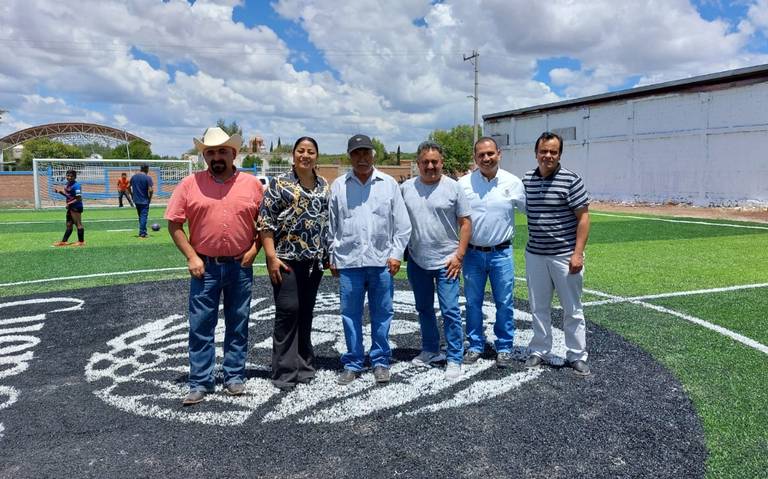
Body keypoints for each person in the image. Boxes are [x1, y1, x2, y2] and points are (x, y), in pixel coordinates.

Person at [164, 127, 263, 406]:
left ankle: (233, 376)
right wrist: (191, 257)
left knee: (238, 323)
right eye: (211, 152)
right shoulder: (189, 184)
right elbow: (175, 224)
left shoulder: (252, 185)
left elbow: (266, 225)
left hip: (239, 266)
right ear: (204, 155)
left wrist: (254, 250)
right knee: (200, 326)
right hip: (203, 267)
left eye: (222, 151)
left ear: (233, 153)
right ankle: (200, 381)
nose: (216, 156)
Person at [328, 134, 411, 385]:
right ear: (349, 156)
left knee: (382, 314)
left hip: (381, 262)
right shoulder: (339, 186)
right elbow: (332, 226)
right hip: (349, 263)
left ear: (373, 155)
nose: (362, 158)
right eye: (356, 153)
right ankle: (353, 361)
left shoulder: (388, 184)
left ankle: (380, 361)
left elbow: (403, 225)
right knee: (349, 315)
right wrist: (333, 256)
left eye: (366, 153)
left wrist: (396, 255)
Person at [258, 137, 330, 391]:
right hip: (285, 260)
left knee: (306, 313)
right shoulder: (279, 185)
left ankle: (304, 365)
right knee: (288, 312)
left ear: (317, 156)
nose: (306, 155)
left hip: (314, 262)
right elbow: (265, 222)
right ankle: (284, 371)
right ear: (293, 155)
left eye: (311, 151)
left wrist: (327, 253)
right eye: (301, 151)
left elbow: (325, 223)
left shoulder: (323, 185)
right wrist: (270, 257)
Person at [400, 141, 471, 380]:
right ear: (418, 163)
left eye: (435, 162)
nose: (430, 166)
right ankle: (430, 349)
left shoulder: (454, 187)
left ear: (442, 162)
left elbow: (465, 223)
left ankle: (454, 357)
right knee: (423, 308)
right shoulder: (406, 188)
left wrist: (459, 255)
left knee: (450, 310)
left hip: (447, 262)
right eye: (425, 162)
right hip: (418, 261)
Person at [523, 132, 591, 376]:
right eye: (544, 151)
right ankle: (540, 349)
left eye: (553, 151)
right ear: (536, 153)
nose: (548, 155)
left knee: (572, 309)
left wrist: (578, 254)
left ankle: (576, 355)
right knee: (538, 306)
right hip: (535, 255)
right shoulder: (527, 180)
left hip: (564, 256)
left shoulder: (571, 180)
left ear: (559, 154)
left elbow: (583, 219)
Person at [458, 137, 525, 368]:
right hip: (473, 255)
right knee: (472, 302)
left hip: (502, 254)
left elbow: (531, 212)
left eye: (490, 154)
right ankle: (475, 344)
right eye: (481, 155)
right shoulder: (463, 184)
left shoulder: (514, 183)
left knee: (504, 302)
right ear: (475, 157)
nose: (486, 159)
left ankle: (504, 346)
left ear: (499, 154)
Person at [52, 169, 85, 247]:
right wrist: (60, 192)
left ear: (75, 177)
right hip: (70, 207)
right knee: (69, 224)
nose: (69, 177)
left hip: (76, 207)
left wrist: (69, 203)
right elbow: (69, 196)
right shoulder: (67, 184)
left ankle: (81, 242)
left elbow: (78, 198)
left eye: (71, 176)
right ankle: (64, 242)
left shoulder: (77, 186)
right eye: (68, 176)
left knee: (78, 224)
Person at [130, 164, 154, 238]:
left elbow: (128, 186)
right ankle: (142, 233)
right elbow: (151, 190)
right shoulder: (148, 178)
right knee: (143, 216)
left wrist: (132, 194)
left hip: (136, 200)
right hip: (144, 200)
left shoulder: (134, 177)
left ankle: (143, 231)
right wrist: (150, 198)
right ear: (147, 169)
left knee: (140, 216)